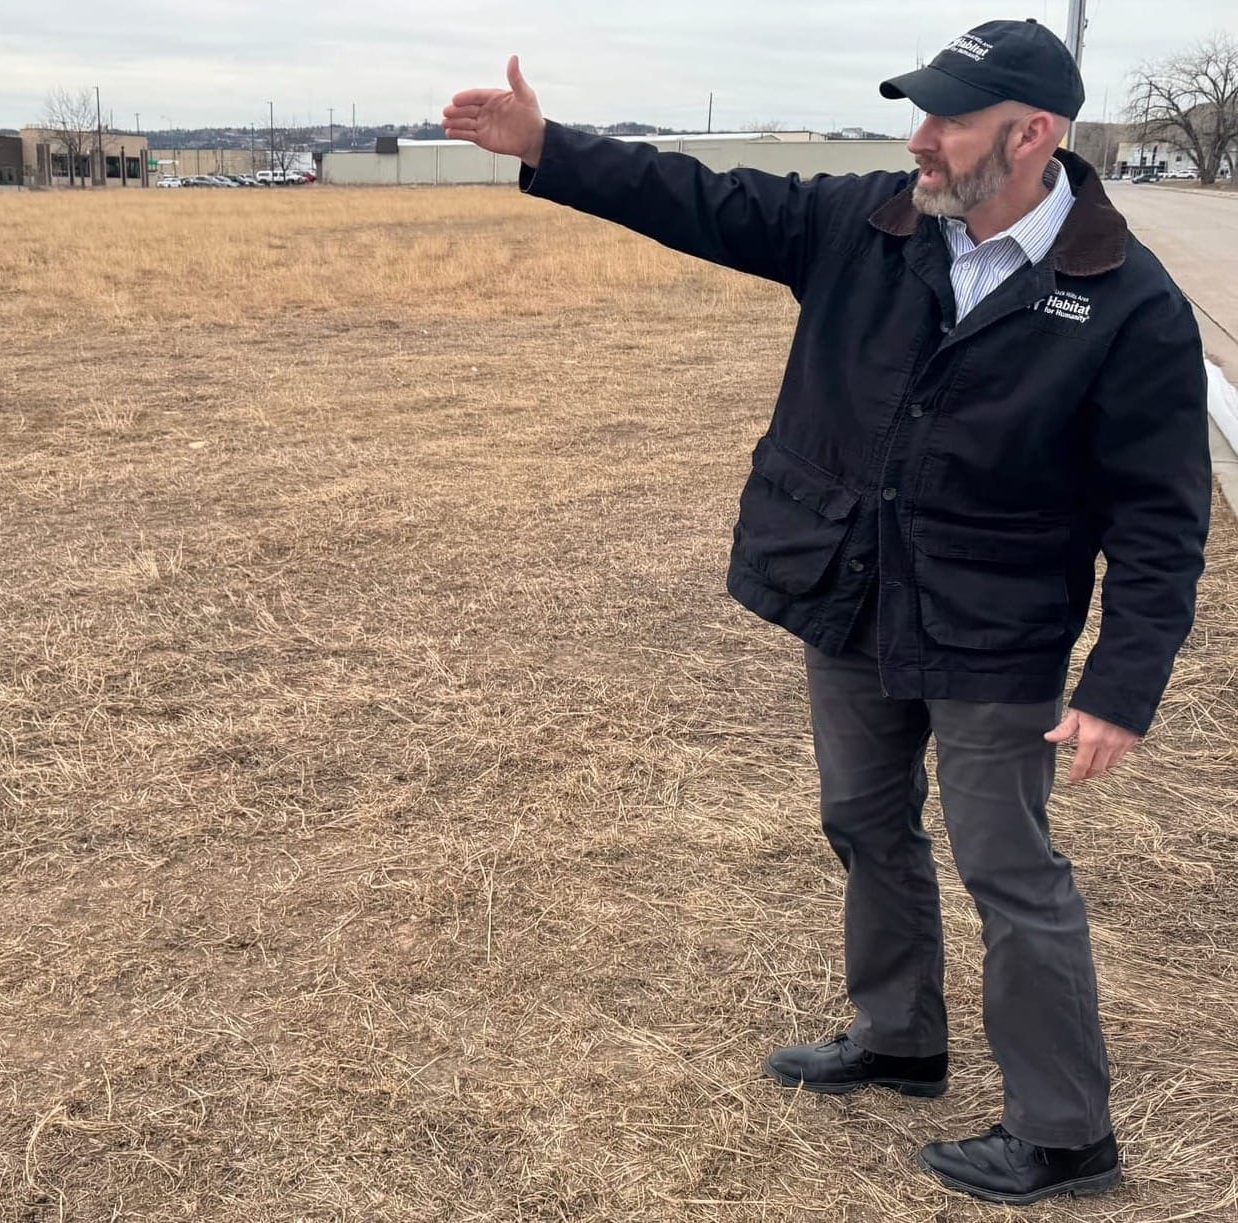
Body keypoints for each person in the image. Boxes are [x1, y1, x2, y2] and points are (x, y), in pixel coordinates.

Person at [443, 18, 1211, 1207]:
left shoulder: (1124, 302)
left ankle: (1064, 1134)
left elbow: (1160, 517)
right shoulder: (870, 222)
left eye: (949, 120)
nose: (920, 139)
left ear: (1032, 135)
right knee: (861, 819)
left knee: (1009, 869)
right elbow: (701, 197)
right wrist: (551, 146)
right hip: (848, 593)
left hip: (992, 630)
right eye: (921, 114)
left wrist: (1121, 685)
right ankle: (899, 1035)